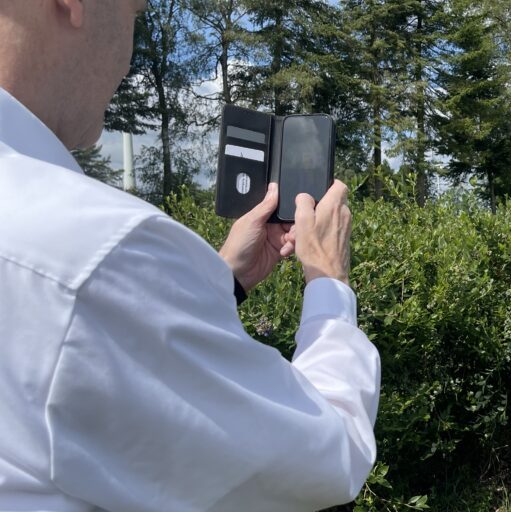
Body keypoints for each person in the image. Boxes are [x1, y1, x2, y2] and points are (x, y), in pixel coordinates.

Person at [0, 2, 379, 511]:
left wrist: (223, 281)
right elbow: (326, 463)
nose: (129, 59)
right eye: (134, 13)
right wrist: (329, 284)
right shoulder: (95, 249)